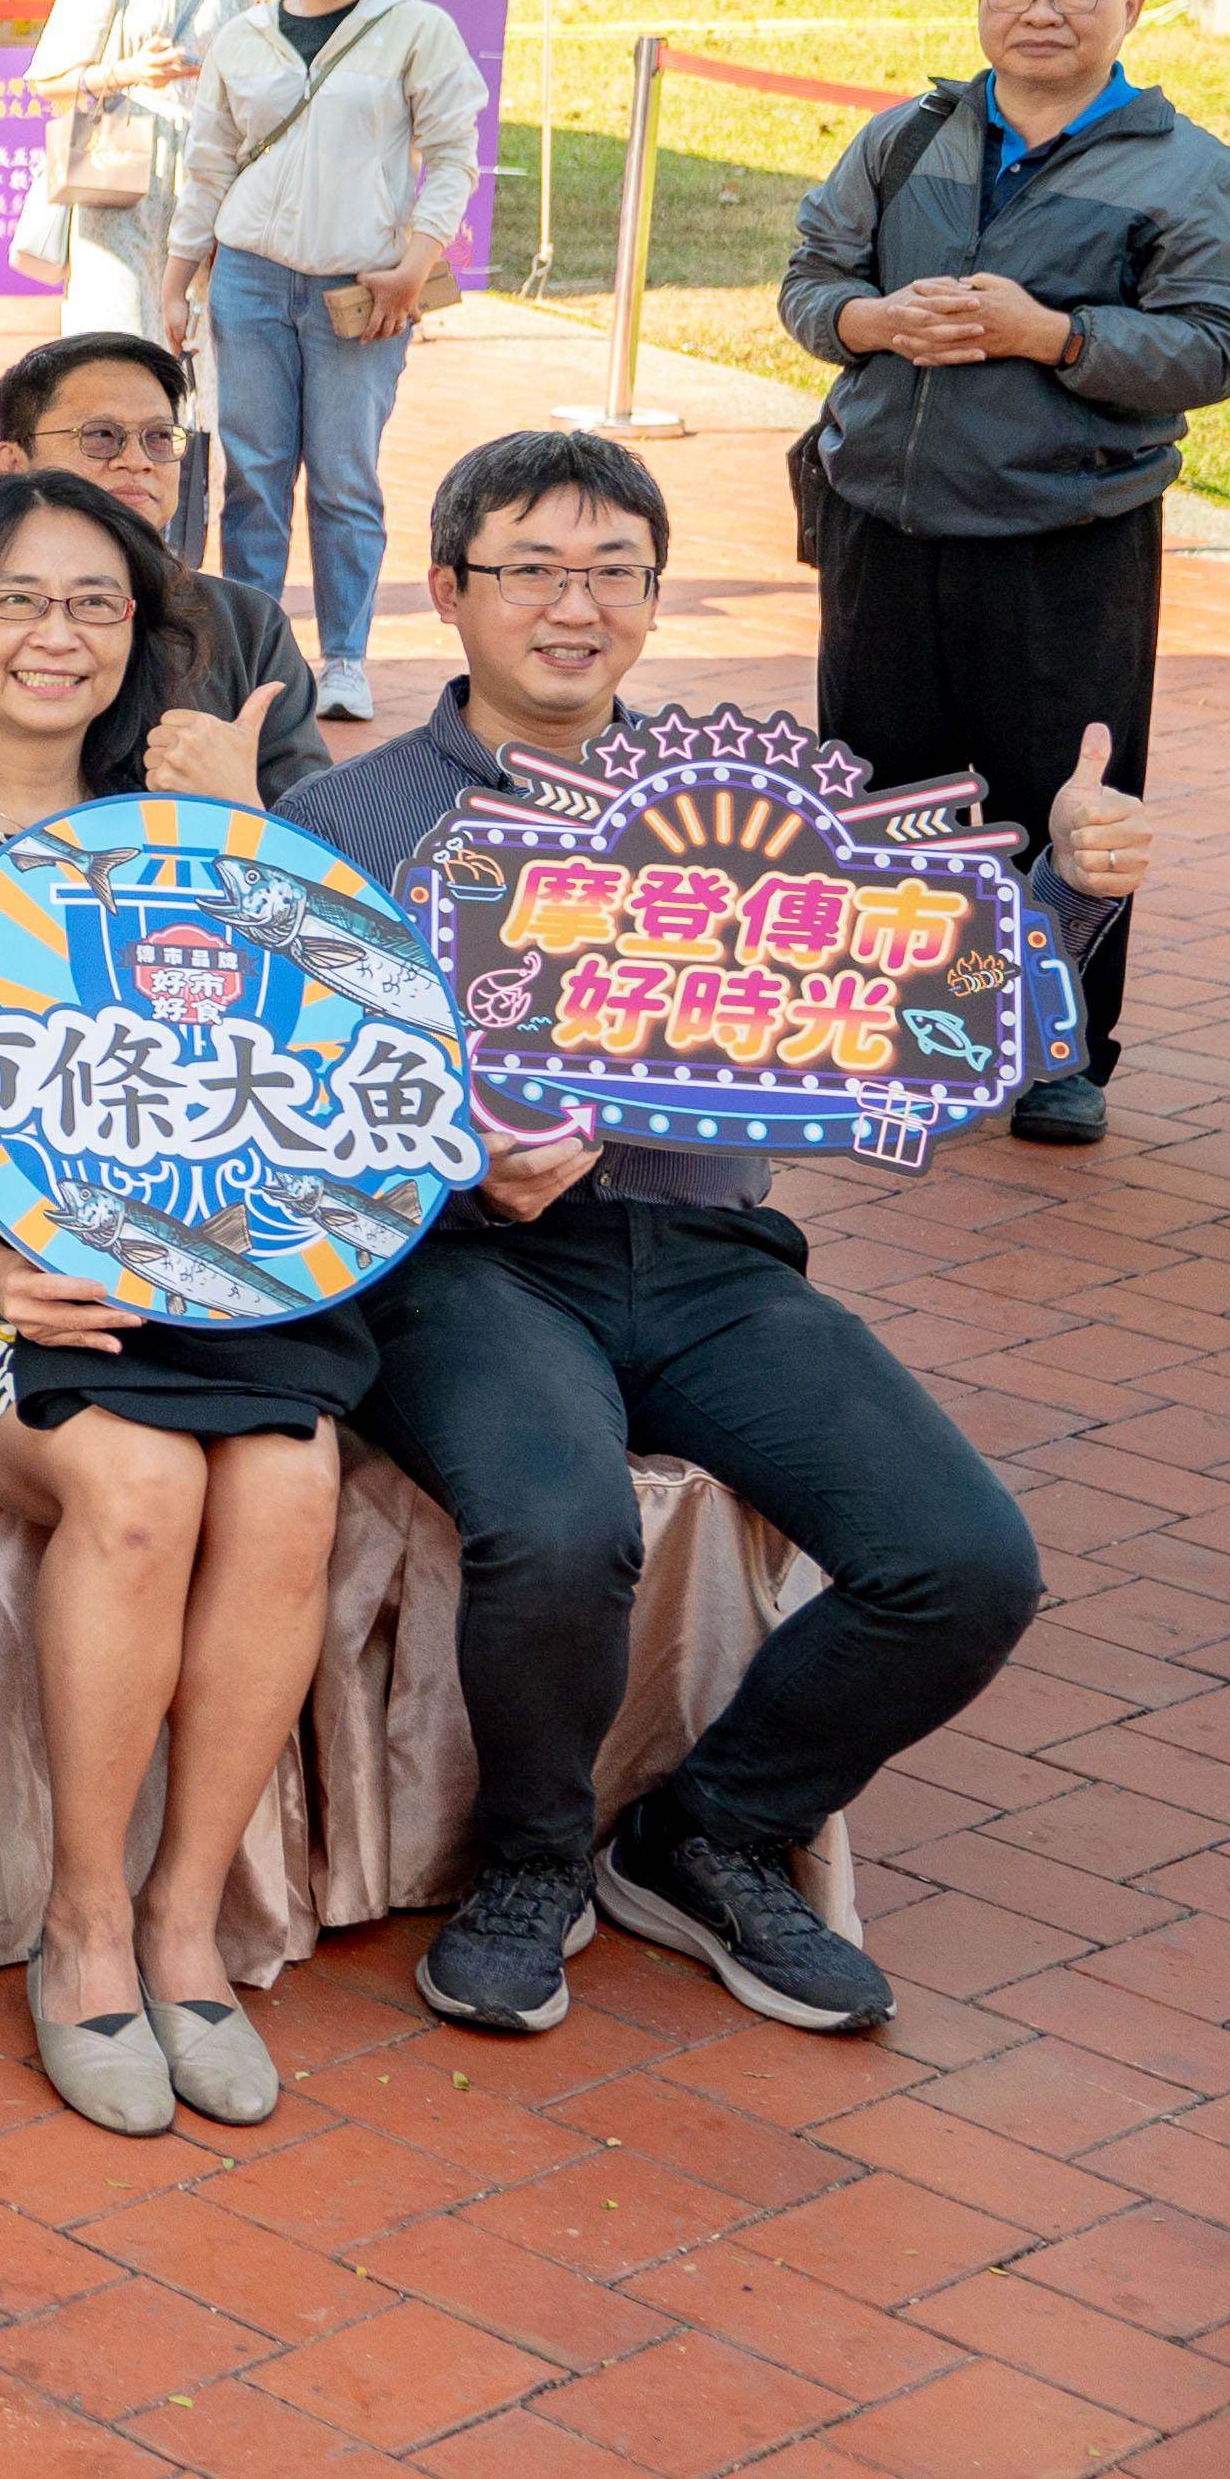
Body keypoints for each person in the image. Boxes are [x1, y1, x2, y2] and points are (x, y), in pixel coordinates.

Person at [285, 431, 1116, 2036]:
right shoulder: (340, 821)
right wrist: (457, 1168)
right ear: (448, 588)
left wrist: (1068, 895)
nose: (575, 605)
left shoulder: (745, 808)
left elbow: (933, 1016)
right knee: (558, 1524)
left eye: (615, 571)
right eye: (533, 567)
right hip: (466, 1266)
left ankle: (709, 1828)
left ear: (656, 599)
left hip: (710, 1258)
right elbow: (280, 1110)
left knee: (966, 1561)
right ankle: (531, 1859)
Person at [0, 474, 330, 2135]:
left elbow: (312, 1060)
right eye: (16, 600)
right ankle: (85, 1924)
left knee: (291, 1475)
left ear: (140, 636)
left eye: (95, 602)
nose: (57, 635)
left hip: (193, 1266)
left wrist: (246, 835)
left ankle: (185, 1920)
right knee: (139, 1478)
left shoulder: (183, 832)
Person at [778, 0, 1230, 1142]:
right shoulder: (908, 137)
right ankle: (893, 1030)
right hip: (884, 520)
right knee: (882, 786)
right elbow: (811, 278)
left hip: (1065, 537)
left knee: (1070, 791)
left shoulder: (1185, 169)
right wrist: (871, 320)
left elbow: (1211, 344)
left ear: (1133, 4)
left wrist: (1057, 336)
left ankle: (1059, 1052)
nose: (1041, 12)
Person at [163, 0, 480, 725]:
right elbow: (208, 166)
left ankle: (344, 658)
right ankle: (254, 656)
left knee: (344, 477)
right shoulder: (245, 36)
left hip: (363, 287)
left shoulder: (415, 29)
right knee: (253, 477)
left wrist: (415, 262)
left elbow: (454, 156)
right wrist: (178, 279)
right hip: (250, 279)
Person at [0, 334, 326, 804]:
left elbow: (312, 835)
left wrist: (241, 804)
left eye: (159, 438)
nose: (138, 461)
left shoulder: (248, 626)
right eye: (101, 436)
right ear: (13, 464)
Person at [25, 0, 256, 341]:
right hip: (118, 179)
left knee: (196, 343)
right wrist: (131, 72)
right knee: (118, 335)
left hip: (207, 181)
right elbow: (48, 80)